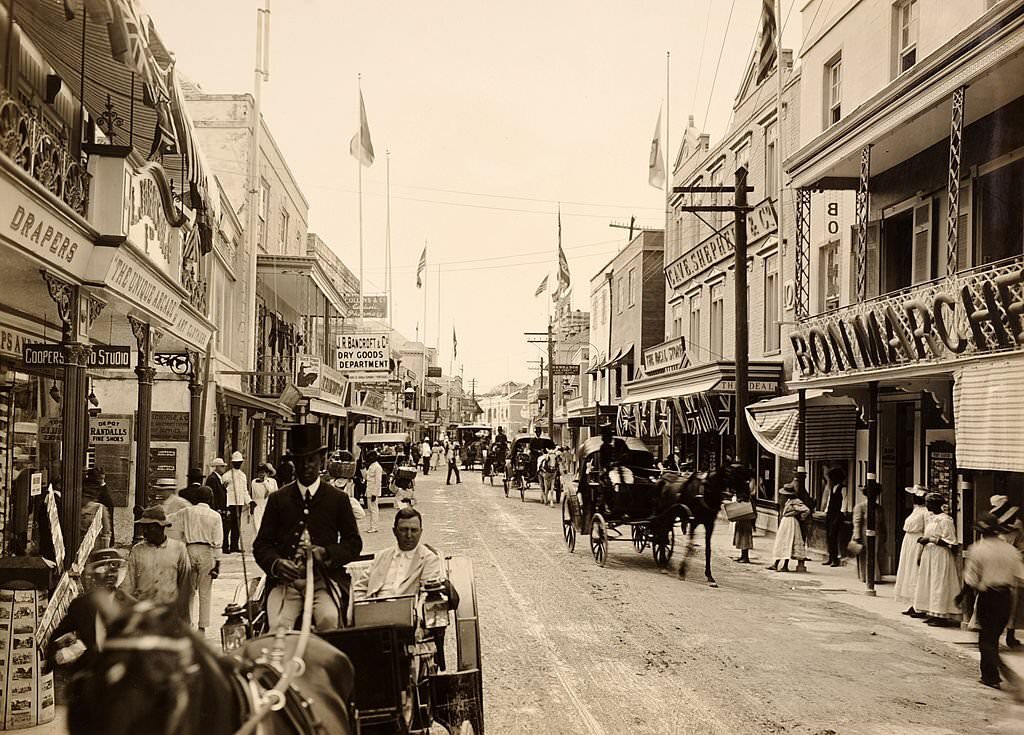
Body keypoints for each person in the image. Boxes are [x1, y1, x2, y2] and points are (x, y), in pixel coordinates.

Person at [253, 424, 363, 631]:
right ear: (293, 463)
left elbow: (353, 543)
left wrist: (327, 553)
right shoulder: (278, 499)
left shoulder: (338, 499)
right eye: (300, 461)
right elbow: (261, 545)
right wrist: (277, 564)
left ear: (321, 460)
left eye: (311, 460)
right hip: (286, 586)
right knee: (278, 627)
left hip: (324, 583)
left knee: (329, 620)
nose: (307, 466)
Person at [962, 511, 1024, 697]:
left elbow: (971, 580)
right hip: (1006, 596)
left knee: (986, 640)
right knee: (993, 636)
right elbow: (1020, 577)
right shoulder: (1010, 550)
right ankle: (990, 675)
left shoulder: (977, 549)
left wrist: (962, 596)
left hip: (988, 596)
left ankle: (1002, 677)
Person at [47, 549, 128, 673]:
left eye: (114, 569)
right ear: (93, 575)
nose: (110, 574)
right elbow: (58, 639)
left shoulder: (130, 606)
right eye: (102, 569)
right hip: (88, 678)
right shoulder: (80, 605)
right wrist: (69, 652)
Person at [352, 507, 443, 600]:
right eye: (404, 530)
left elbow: (427, 595)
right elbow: (359, 588)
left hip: (408, 610)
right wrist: (364, 607)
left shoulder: (429, 559)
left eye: (414, 530)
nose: (409, 535)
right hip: (374, 608)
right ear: (394, 531)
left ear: (421, 532)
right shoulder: (382, 556)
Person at [120, 506, 193, 623]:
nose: (145, 531)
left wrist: (184, 617)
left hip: (169, 613)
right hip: (144, 614)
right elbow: (129, 583)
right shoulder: (137, 550)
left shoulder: (179, 549)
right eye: (144, 527)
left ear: (161, 527)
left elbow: (185, 583)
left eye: (150, 527)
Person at [168, 486, 222, 634]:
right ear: (210, 499)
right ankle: (202, 627)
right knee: (205, 591)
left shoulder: (187, 512)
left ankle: (187, 624)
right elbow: (218, 542)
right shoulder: (215, 516)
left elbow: (169, 518)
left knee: (188, 591)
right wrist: (217, 564)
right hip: (207, 552)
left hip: (189, 550)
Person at [913, 492, 962, 627]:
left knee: (938, 583)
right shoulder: (932, 518)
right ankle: (932, 612)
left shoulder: (945, 520)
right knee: (929, 582)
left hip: (940, 555)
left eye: (929, 503)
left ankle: (941, 615)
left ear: (936, 504)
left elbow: (951, 542)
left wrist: (931, 539)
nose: (927, 505)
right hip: (930, 554)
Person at [895, 485, 930, 615]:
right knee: (908, 571)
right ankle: (912, 602)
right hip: (909, 541)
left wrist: (922, 548)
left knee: (916, 572)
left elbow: (927, 530)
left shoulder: (926, 512)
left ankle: (919, 604)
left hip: (917, 542)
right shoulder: (916, 510)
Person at [769, 483, 811, 573]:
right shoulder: (789, 500)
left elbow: (806, 510)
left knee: (788, 542)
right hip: (785, 522)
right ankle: (776, 564)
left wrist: (799, 516)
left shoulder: (796, 501)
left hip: (791, 523)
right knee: (781, 542)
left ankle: (785, 565)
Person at [851, 484, 887, 583]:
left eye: (875, 495)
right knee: (866, 554)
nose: (874, 497)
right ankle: (866, 577)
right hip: (864, 534)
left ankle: (876, 576)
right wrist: (857, 535)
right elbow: (857, 522)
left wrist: (884, 534)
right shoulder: (860, 507)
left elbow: (883, 522)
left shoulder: (879, 508)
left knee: (877, 554)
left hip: (878, 534)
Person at [223, 450, 254, 553]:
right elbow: (224, 490)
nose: (238, 464)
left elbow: (245, 490)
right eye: (236, 463)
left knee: (237, 526)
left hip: (239, 503)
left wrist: (249, 501)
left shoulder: (243, 475)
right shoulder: (226, 475)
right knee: (227, 526)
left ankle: (234, 546)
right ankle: (225, 546)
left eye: (239, 463)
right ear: (233, 463)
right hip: (229, 503)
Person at [81, 468, 112, 549]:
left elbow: (106, 533)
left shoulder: (99, 508)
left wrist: (105, 549)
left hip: (94, 546)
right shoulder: (77, 507)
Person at [823, 466, 847, 567]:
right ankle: (830, 557)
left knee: (834, 535)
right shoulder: (832, 488)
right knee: (829, 536)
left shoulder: (843, 488)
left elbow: (845, 501)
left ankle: (835, 559)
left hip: (837, 514)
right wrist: (826, 511)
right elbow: (829, 501)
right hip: (830, 513)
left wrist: (842, 513)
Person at [732, 473, 757, 564]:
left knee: (744, 538)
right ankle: (743, 555)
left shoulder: (747, 502)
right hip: (742, 520)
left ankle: (745, 557)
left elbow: (753, 512)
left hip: (745, 521)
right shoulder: (746, 501)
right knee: (741, 537)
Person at [206, 458, 230, 554]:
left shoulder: (218, 478)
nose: (224, 468)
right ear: (216, 467)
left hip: (221, 507)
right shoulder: (212, 479)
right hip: (217, 508)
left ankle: (224, 545)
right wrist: (217, 508)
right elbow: (214, 495)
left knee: (225, 527)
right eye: (222, 466)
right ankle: (223, 545)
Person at [250, 462, 278, 530]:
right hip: (258, 505)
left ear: (267, 473)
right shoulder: (254, 481)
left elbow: (273, 491)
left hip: (268, 504)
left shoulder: (272, 481)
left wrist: (265, 482)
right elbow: (253, 494)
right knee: (257, 524)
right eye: (259, 473)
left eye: (263, 472)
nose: (261, 474)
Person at [364, 449, 383, 533]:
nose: (369, 458)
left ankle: (374, 527)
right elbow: (366, 477)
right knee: (370, 509)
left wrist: (374, 494)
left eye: (370, 456)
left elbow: (378, 482)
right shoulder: (371, 466)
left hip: (373, 491)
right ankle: (372, 526)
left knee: (374, 509)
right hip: (369, 490)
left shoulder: (377, 467)